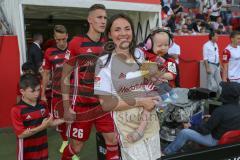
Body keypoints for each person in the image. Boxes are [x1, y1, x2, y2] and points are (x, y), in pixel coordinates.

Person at [94, 13, 161, 160]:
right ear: (110, 34)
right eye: (117, 30)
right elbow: (105, 104)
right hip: (127, 128)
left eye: (127, 28)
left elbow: (148, 81)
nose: (123, 33)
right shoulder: (103, 63)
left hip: (150, 122)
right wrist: (141, 101)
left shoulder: (139, 54)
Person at [61, 4, 119, 160]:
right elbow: (64, 76)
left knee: (112, 141)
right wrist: (67, 107)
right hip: (81, 107)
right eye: (99, 17)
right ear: (90, 19)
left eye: (105, 18)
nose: (103, 21)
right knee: (76, 147)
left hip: (103, 105)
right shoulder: (76, 43)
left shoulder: (109, 44)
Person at [125, 29, 178, 143]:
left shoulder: (170, 60)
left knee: (169, 101)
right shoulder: (144, 55)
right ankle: (142, 129)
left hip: (161, 87)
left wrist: (159, 73)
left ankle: (144, 129)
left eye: (166, 45)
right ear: (149, 44)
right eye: (159, 45)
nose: (163, 47)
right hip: (145, 86)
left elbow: (172, 75)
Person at [163, 81, 240, 155]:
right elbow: (228, 120)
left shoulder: (220, 111)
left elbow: (204, 130)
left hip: (216, 141)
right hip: (231, 141)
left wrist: (190, 126)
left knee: (184, 132)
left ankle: (167, 152)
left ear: (226, 94)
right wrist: (212, 118)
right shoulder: (236, 109)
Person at [11, 74, 64, 160]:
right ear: (22, 91)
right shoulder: (16, 110)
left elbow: (50, 123)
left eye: (38, 90)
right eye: (32, 91)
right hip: (26, 152)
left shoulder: (42, 104)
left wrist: (65, 119)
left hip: (43, 149)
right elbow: (21, 135)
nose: (36, 94)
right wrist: (42, 127)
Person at [41, 25, 73, 155]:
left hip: (73, 92)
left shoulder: (73, 49)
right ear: (54, 38)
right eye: (57, 39)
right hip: (57, 92)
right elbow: (46, 74)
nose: (60, 42)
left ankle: (73, 145)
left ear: (67, 36)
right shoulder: (49, 52)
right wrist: (42, 93)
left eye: (63, 39)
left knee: (75, 118)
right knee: (59, 119)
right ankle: (65, 141)